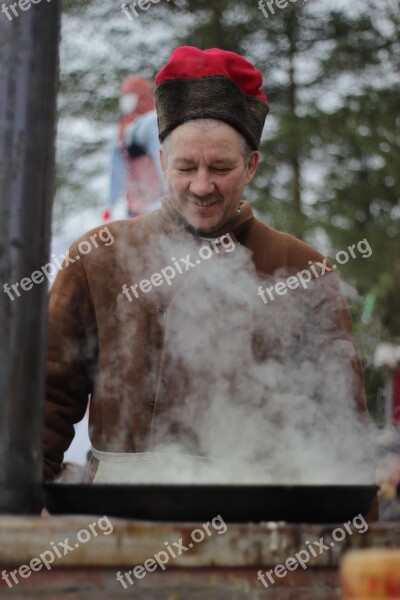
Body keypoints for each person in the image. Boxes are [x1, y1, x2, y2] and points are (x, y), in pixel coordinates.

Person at [43, 47, 377, 518]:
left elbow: (342, 434)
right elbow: (45, 402)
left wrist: (355, 555)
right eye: (186, 167)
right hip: (111, 530)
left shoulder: (303, 269)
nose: (202, 185)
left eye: (220, 167)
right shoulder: (96, 258)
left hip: (257, 537)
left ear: (252, 165)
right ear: (162, 162)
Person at [105, 75, 166, 220]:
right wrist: (110, 205)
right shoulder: (120, 130)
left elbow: (162, 157)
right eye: (124, 96)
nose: (127, 101)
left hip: (160, 203)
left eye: (131, 95)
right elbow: (116, 170)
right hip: (135, 208)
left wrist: (174, 196)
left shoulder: (153, 121)